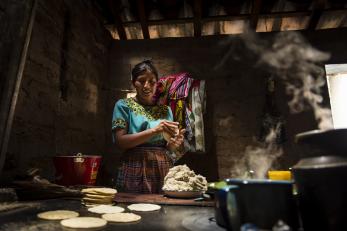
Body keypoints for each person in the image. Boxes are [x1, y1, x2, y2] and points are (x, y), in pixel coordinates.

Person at [112, 60, 185, 193]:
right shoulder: (123, 105)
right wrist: (154, 130)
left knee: (164, 210)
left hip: (162, 166)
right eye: (141, 81)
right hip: (134, 166)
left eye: (152, 82)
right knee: (132, 209)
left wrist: (174, 144)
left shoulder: (166, 110)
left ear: (157, 84)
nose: (146, 86)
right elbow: (120, 141)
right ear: (134, 82)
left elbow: (168, 147)